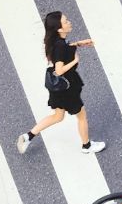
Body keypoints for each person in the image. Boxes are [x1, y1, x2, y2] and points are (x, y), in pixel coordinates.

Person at [16, 11, 106, 155]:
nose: (69, 22)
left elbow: (63, 48)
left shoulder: (57, 41)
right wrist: (75, 61)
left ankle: (28, 136)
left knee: (58, 116)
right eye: (66, 22)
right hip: (67, 88)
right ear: (59, 29)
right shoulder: (59, 46)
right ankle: (87, 146)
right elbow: (59, 70)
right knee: (81, 116)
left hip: (58, 87)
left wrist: (78, 44)